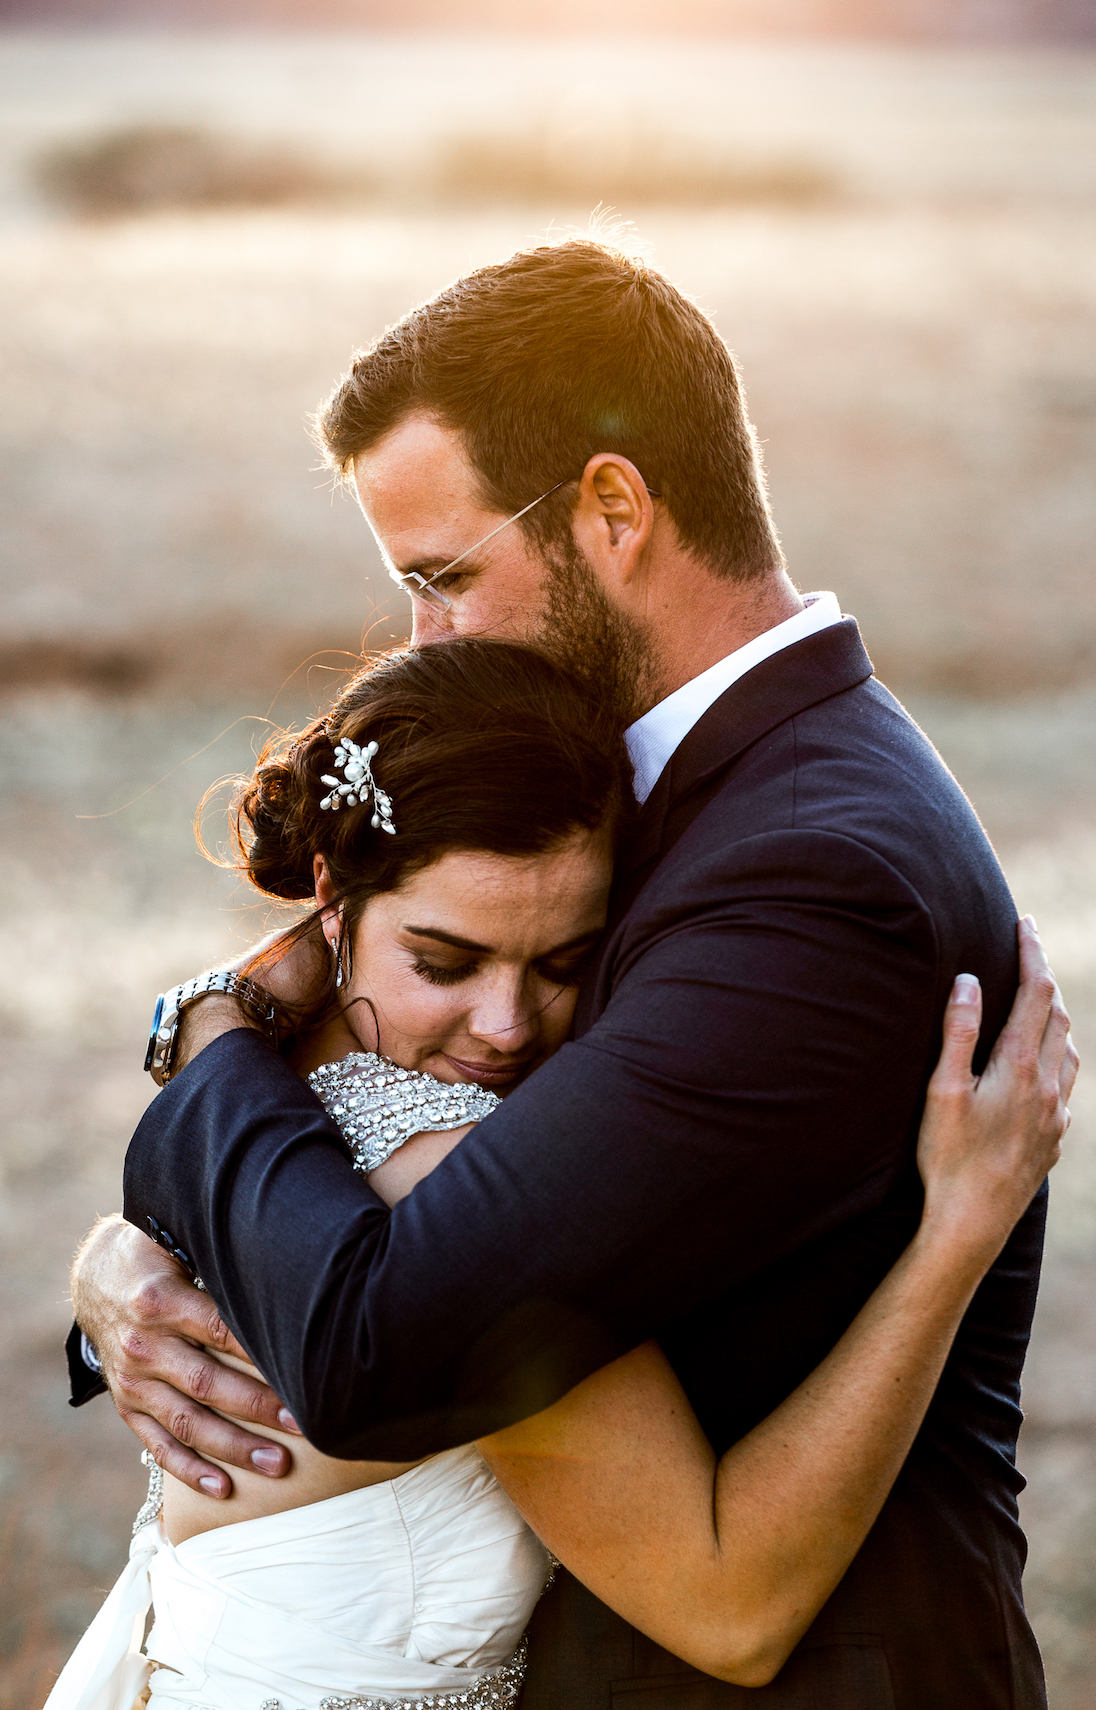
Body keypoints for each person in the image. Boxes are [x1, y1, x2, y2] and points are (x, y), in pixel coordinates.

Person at [72, 235, 1078, 1708]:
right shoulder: (651, 808)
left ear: (612, 507)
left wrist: (213, 1026)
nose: (426, 640)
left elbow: (383, 1339)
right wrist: (116, 1270)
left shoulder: (812, 877)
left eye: (446, 576)